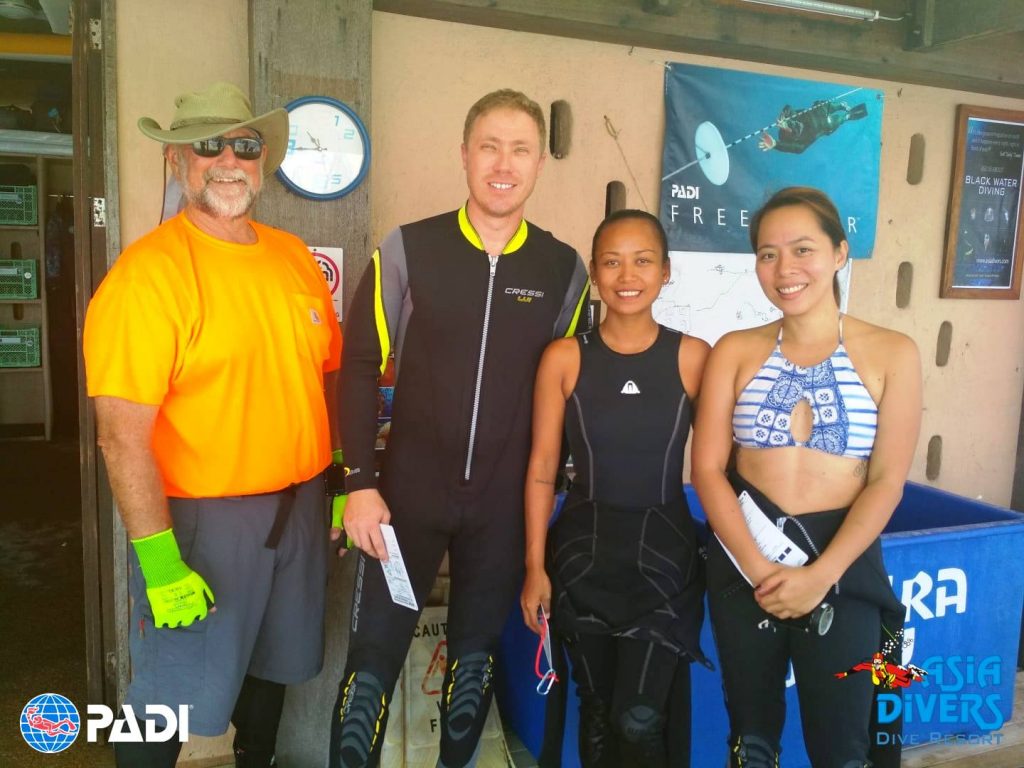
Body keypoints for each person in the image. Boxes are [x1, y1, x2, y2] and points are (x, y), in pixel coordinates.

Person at [83, 81, 343, 768]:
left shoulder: (293, 257)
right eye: (208, 145)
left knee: (272, 669)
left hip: (299, 509)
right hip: (202, 524)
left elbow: (324, 380)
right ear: (176, 160)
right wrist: (159, 561)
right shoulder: (148, 276)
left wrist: (338, 487)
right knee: (166, 698)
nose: (229, 160)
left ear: (263, 162)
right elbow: (120, 436)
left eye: (245, 146)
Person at [330, 89, 591, 768]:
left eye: (520, 149)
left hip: (502, 509)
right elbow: (357, 366)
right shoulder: (409, 248)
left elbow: (567, 394)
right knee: (370, 670)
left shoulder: (563, 270)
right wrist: (358, 483)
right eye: (489, 147)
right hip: (404, 500)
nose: (504, 164)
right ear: (465, 155)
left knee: (472, 669)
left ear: (539, 163)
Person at [691, 187, 921, 768]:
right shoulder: (734, 351)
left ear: (840, 253)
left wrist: (821, 575)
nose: (784, 269)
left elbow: (887, 480)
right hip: (745, 562)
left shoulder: (893, 352)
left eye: (802, 249)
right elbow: (708, 469)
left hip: (842, 566)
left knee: (845, 746)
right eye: (767, 254)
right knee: (751, 741)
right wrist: (758, 568)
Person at [520, 210, 711, 767]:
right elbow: (542, 467)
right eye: (612, 262)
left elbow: (716, 468)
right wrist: (535, 566)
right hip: (584, 556)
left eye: (643, 261)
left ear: (666, 271)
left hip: (665, 558)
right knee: (600, 711)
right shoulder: (564, 358)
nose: (627, 275)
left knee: (641, 717)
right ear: (595, 272)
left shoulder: (693, 356)